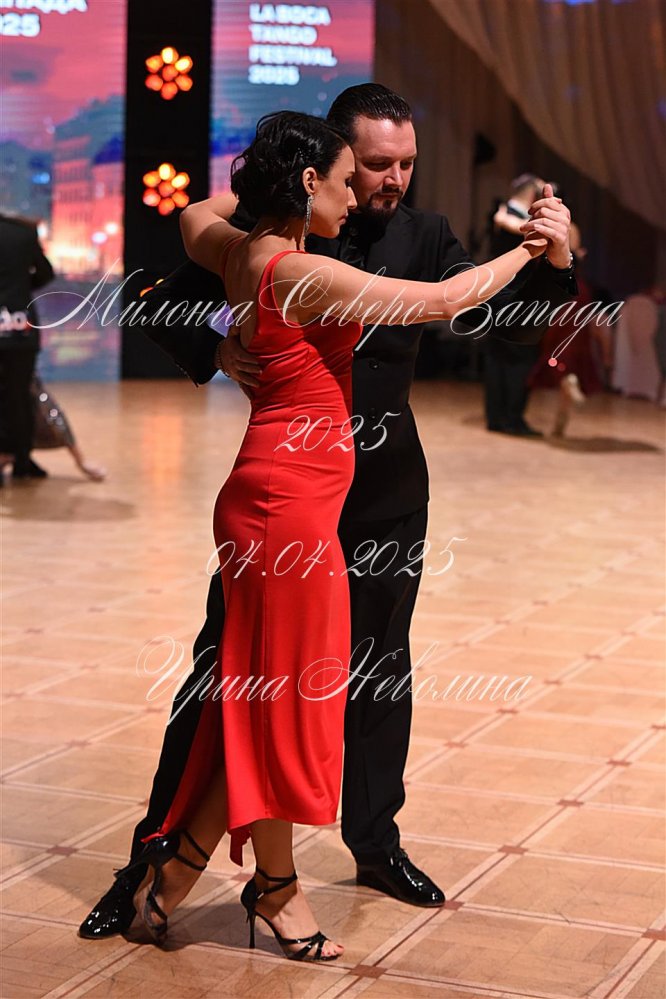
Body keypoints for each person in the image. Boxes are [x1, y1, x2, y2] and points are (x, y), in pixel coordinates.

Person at [80, 84, 575, 943]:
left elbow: (506, 327)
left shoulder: (425, 234)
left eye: (406, 164)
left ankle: (370, 845)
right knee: (228, 679)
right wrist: (220, 346)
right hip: (291, 501)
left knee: (377, 673)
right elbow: (158, 293)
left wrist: (554, 262)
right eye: (373, 165)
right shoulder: (285, 239)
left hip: (380, 494)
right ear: (327, 165)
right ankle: (151, 863)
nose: (390, 180)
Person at [484, 173, 560, 437]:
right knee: (519, 357)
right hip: (517, 298)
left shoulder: (502, 213)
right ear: (532, 194)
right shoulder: (516, 219)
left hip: (493, 295)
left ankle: (497, 417)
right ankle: (511, 418)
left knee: (497, 357)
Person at [0, 212, 53, 479]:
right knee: (20, 396)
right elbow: (46, 273)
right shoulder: (23, 232)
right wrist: (21, 285)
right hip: (19, 324)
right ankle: (22, 460)